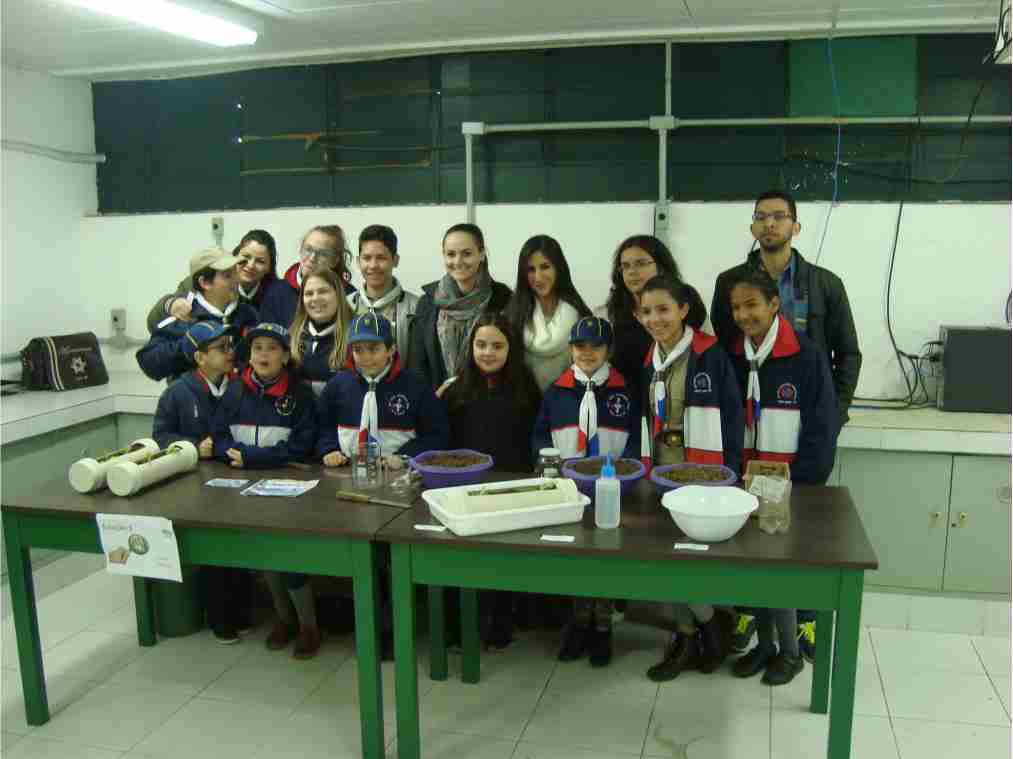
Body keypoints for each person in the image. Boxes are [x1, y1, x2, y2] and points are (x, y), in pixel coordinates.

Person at [711, 189, 860, 660]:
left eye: (780, 217)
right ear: (752, 226)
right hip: (754, 431)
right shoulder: (729, 282)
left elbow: (848, 354)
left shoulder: (825, 284)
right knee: (749, 535)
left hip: (803, 428)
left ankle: (804, 621)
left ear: (796, 225)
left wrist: (832, 417)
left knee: (801, 537)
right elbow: (727, 351)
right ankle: (751, 615)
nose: (770, 224)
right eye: (761, 217)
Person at [726, 268, 838, 686]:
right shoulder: (733, 355)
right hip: (745, 481)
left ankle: (790, 653)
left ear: (775, 304)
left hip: (789, 482)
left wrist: (803, 482)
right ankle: (766, 646)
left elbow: (822, 427)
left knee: (780, 570)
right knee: (754, 568)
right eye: (736, 307)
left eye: (752, 304)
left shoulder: (805, 355)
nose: (743, 315)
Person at [634, 276, 744, 681]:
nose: (655, 319)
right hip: (663, 473)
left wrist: (730, 475)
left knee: (696, 562)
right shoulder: (650, 358)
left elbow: (732, 418)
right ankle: (694, 630)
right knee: (667, 559)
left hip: (703, 473)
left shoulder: (709, 354)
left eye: (664, 309)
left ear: (683, 310)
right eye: (647, 311)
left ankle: (708, 624)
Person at [532, 315, 640, 667]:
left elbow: (637, 443)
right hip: (569, 490)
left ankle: (603, 626)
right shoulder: (557, 391)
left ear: (609, 350)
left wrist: (628, 477)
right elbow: (540, 436)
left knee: (606, 559)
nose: (588, 352)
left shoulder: (626, 391)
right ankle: (578, 623)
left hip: (612, 491)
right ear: (571, 349)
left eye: (596, 346)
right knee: (576, 557)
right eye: (580, 346)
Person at [210, 322, 320, 658]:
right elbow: (219, 436)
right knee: (265, 557)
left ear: (285, 356)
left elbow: (302, 445)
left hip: (288, 489)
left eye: (272, 348)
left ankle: (309, 626)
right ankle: (284, 620)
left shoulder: (300, 394)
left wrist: (252, 458)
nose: (263, 355)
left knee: (290, 557)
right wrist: (232, 455)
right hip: (242, 487)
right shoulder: (234, 391)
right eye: (257, 348)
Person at [443, 312, 542, 649]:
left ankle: (501, 622)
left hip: (509, 489)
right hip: (465, 489)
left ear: (510, 350)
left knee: (501, 560)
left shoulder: (526, 390)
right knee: (461, 560)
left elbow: (533, 442)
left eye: (497, 346)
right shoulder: (455, 390)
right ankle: (460, 625)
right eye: (481, 345)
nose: (487, 352)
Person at [151, 321, 252, 644]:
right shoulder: (177, 392)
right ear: (199, 358)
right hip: (198, 484)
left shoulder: (240, 385)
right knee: (213, 552)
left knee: (241, 546)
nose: (229, 353)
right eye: (220, 348)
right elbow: (160, 437)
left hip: (238, 478)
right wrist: (193, 447)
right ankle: (219, 618)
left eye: (230, 346)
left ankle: (242, 609)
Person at [316, 312, 449, 470]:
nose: (366, 357)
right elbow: (322, 424)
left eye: (373, 349)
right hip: (346, 471)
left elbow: (437, 435)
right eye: (358, 350)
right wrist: (329, 449)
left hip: (400, 472)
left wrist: (405, 456)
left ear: (391, 349)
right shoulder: (338, 384)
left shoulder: (416, 386)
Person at [409, 223, 512, 390]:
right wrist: (430, 400)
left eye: (467, 254)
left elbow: (511, 362)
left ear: (482, 254)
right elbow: (417, 366)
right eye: (451, 254)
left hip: (488, 400)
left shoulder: (504, 300)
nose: (458, 261)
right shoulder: (427, 302)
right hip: (437, 400)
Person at [137, 248, 257, 383]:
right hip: (193, 395)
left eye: (236, 273)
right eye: (227, 276)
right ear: (205, 283)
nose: (237, 280)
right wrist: (186, 346)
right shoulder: (185, 317)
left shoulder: (248, 313)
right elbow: (149, 363)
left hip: (236, 393)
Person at [503, 235, 592, 392]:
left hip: (569, 402)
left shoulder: (582, 318)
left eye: (545, 267)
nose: (538, 277)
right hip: (523, 403)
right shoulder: (511, 317)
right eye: (531, 270)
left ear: (558, 268)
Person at [146, 230, 279, 332]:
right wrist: (170, 304)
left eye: (260, 261)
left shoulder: (277, 292)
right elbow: (154, 323)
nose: (250, 265)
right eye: (246, 257)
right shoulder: (198, 284)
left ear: (269, 267)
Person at [602, 235, 684, 392]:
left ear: (660, 266)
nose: (632, 272)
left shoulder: (685, 302)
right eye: (625, 266)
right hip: (626, 400)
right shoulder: (609, 314)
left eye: (640, 264)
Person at [347, 224, 419, 365]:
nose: (373, 265)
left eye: (381, 258)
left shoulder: (416, 308)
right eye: (367, 258)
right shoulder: (346, 305)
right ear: (358, 261)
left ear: (395, 260)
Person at [260, 225, 357, 328]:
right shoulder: (276, 292)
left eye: (323, 254)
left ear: (334, 260)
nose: (312, 258)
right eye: (308, 249)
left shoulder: (350, 296)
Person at [289, 268, 354, 398]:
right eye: (309, 293)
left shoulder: (355, 336)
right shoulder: (292, 336)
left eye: (323, 291)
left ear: (338, 294)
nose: (315, 298)